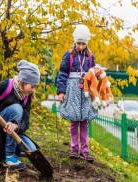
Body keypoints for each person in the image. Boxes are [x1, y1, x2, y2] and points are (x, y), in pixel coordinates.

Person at [57, 25, 98, 161]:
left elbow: (93, 75)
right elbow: (62, 74)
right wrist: (61, 91)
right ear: (75, 42)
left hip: (85, 92)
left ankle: (84, 150)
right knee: (74, 121)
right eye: (78, 43)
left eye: (83, 43)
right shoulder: (68, 55)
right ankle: (74, 148)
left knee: (84, 121)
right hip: (73, 90)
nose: (80, 46)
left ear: (86, 43)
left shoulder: (90, 57)